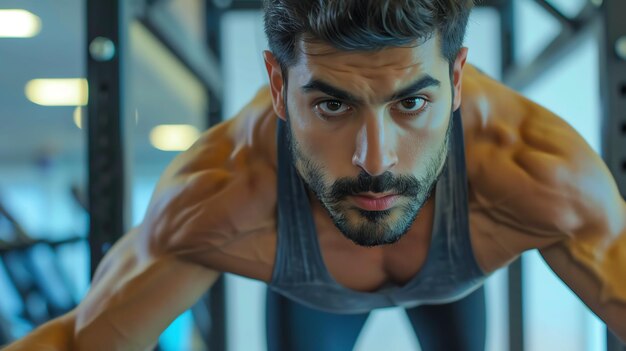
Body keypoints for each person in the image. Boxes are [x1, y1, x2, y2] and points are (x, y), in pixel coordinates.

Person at [5, 0, 626, 350]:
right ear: (278, 87)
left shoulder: (540, 175)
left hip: (453, 289)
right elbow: (80, 343)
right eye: (332, 104)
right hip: (310, 298)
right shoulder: (219, 192)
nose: (376, 160)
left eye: (411, 103)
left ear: (457, 79)